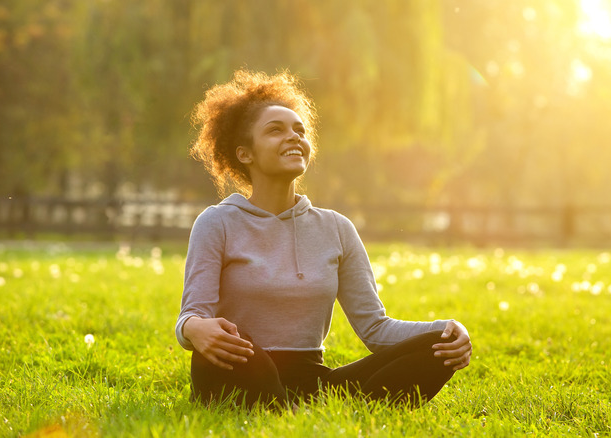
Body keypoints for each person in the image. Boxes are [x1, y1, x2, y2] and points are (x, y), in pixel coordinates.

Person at [175, 69, 471, 411]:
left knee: (438, 346)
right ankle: (287, 407)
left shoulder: (336, 228)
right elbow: (192, 316)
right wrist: (195, 329)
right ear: (245, 154)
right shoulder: (217, 222)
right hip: (239, 365)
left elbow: (375, 328)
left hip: (311, 380)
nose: (293, 137)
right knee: (240, 350)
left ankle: (288, 407)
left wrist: (449, 328)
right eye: (276, 131)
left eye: (299, 130)